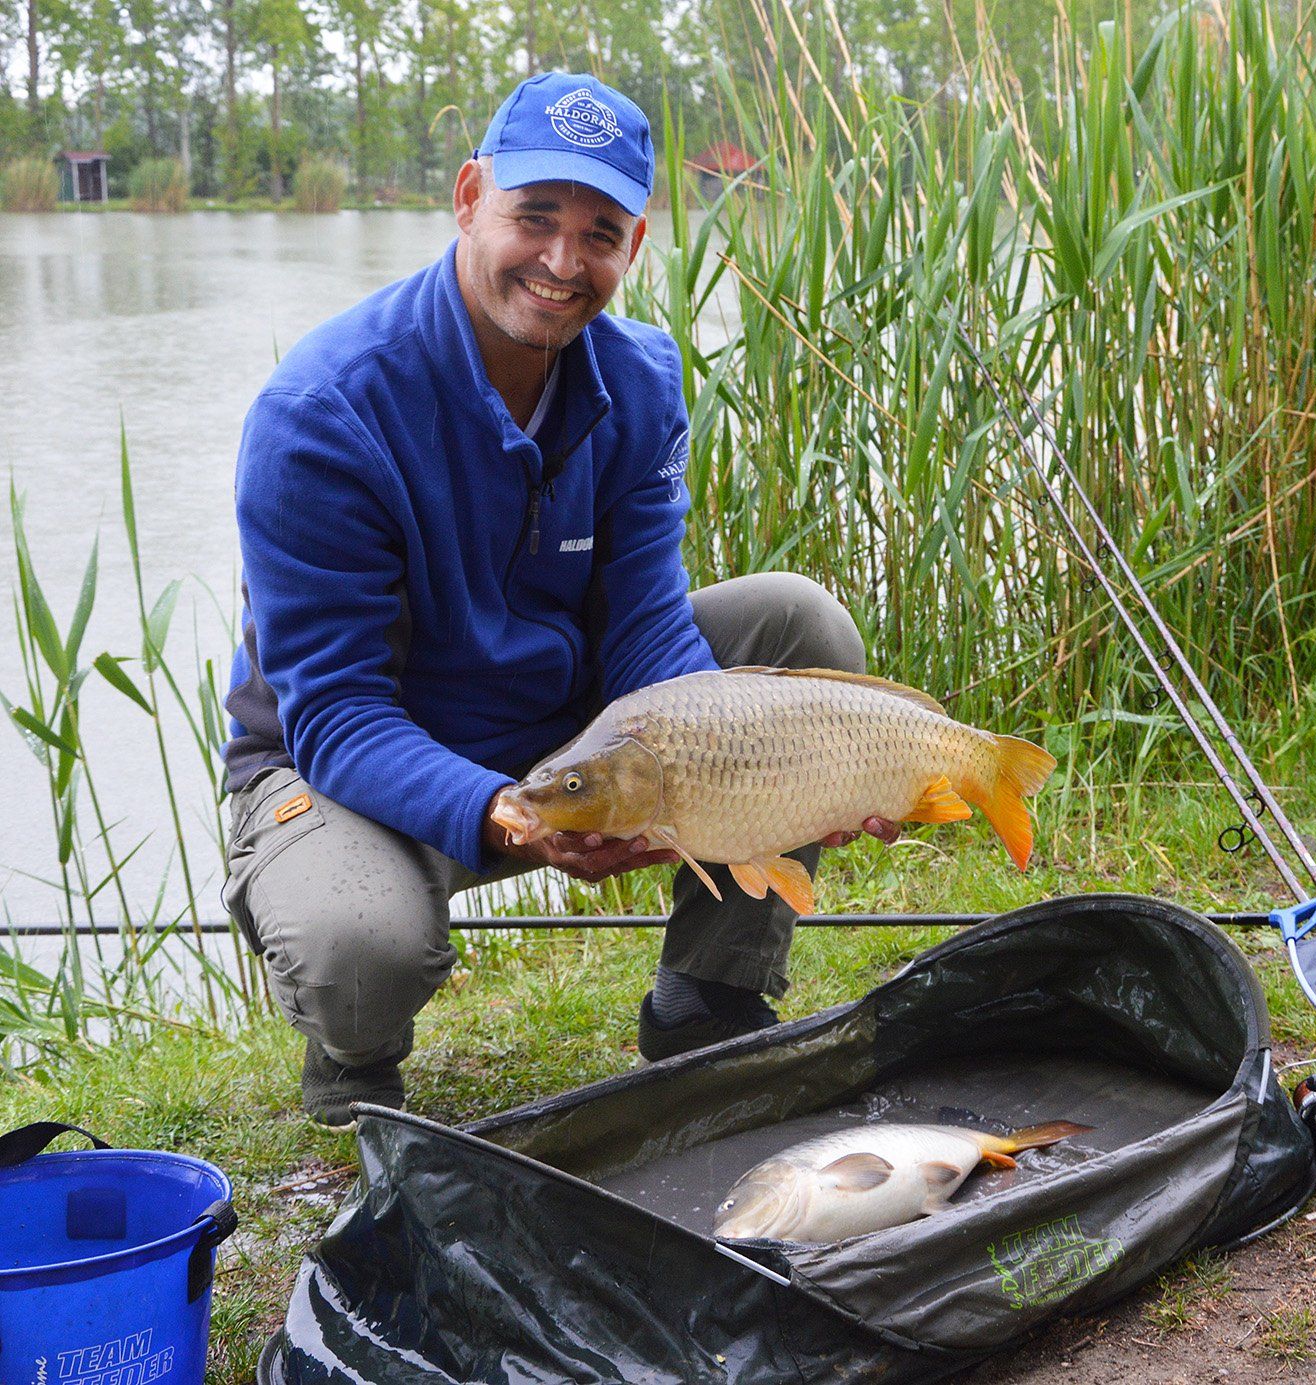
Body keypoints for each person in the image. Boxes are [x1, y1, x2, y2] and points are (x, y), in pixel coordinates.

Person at [220, 71, 896, 1129]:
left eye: (601, 232)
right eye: (535, 217)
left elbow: (642, 627)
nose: (562, 263)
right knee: (361, 954)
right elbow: (337, 711)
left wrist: (764, 776)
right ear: (468, 195)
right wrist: (513, 813)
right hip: (343, 760)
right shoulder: (323, 410)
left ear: (635, 243)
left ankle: (709, 995)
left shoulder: (638, 379)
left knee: (800, 625)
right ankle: (352, 1054)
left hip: (557, 726)